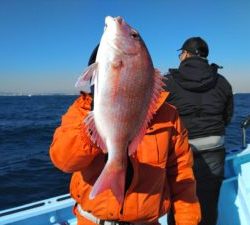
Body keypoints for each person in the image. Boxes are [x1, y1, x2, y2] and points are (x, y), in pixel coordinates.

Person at [49, 45, 201, 225]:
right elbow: (64, 160)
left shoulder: (167, 115)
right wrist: (93, 127)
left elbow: (181, 175)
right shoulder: (81, 110)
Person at [164, 37, 233, 225]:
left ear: (186, 54)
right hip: (215, 150)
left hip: (181, 154)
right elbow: (228, 115)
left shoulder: (168, 82)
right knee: (209, 203)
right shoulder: (223, 82)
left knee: (181, 202)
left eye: (181, 54)